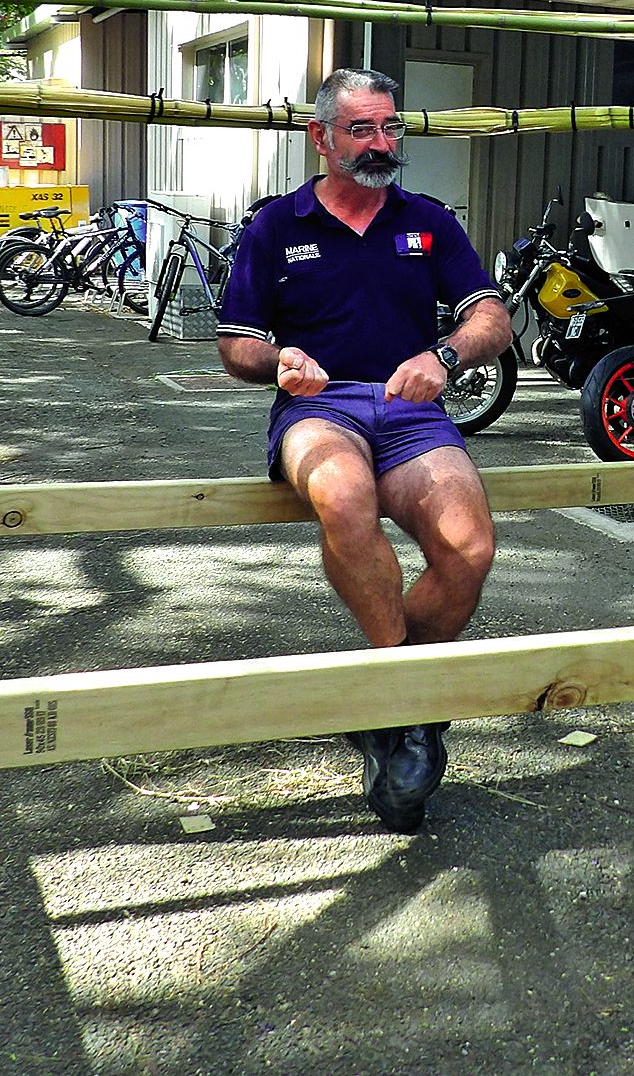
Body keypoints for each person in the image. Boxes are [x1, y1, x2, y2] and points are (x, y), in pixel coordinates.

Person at [216, 68, 513, 833]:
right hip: (318, 409)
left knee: (469, 546)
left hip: (408, 410)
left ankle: (382, 709)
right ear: (321, 137)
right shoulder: (275, 226)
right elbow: (236, 343)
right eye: (362, 130)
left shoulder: (428, 220)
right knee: (343, 496)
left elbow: (491, 316)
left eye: (390, 129)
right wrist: (279, 359)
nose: (382, 144)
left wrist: (445, 357)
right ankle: (409, 712)